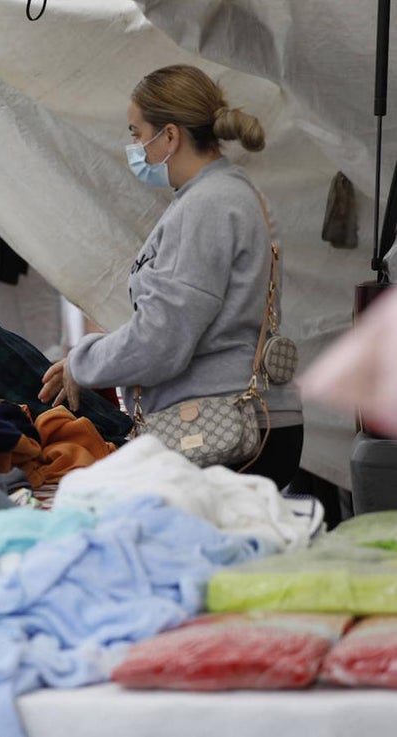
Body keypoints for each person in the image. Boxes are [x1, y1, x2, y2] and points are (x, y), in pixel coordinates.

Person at [38, 64, 304, 489]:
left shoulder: (206, 206)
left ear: (170, 136)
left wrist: (83, 362)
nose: (135, 146)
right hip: (247, 421)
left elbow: (161, 341)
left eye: (137, 133)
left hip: (220, 429)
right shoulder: (234, 193)